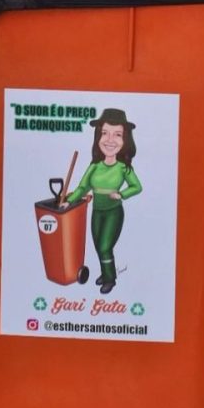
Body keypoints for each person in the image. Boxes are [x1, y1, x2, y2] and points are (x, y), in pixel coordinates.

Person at [61, 107, 142, 294]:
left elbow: (137, 187)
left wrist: (121, 195)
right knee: (99, 246)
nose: (110, 140)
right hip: (97, 211)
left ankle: (110, 279)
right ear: (98, 137)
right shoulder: (95, 166)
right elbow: (83, 187)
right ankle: (106, 273)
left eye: (117, 135)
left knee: (105, 247)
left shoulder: (124, 168)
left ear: (125, 139)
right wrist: (69, 201)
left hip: (113, 212)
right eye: (105, 133)